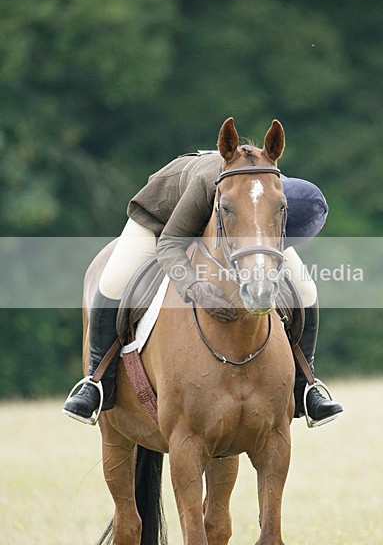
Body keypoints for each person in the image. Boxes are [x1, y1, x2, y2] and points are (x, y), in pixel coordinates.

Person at [63, 125, 343, 427]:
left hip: (247, 228)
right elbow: (171, 243)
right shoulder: (203, 182)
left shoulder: (271, 185)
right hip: (163, 218)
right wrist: (195, 286)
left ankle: (306, 386)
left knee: (306, 288)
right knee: (114, 279)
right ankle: (96, 382)